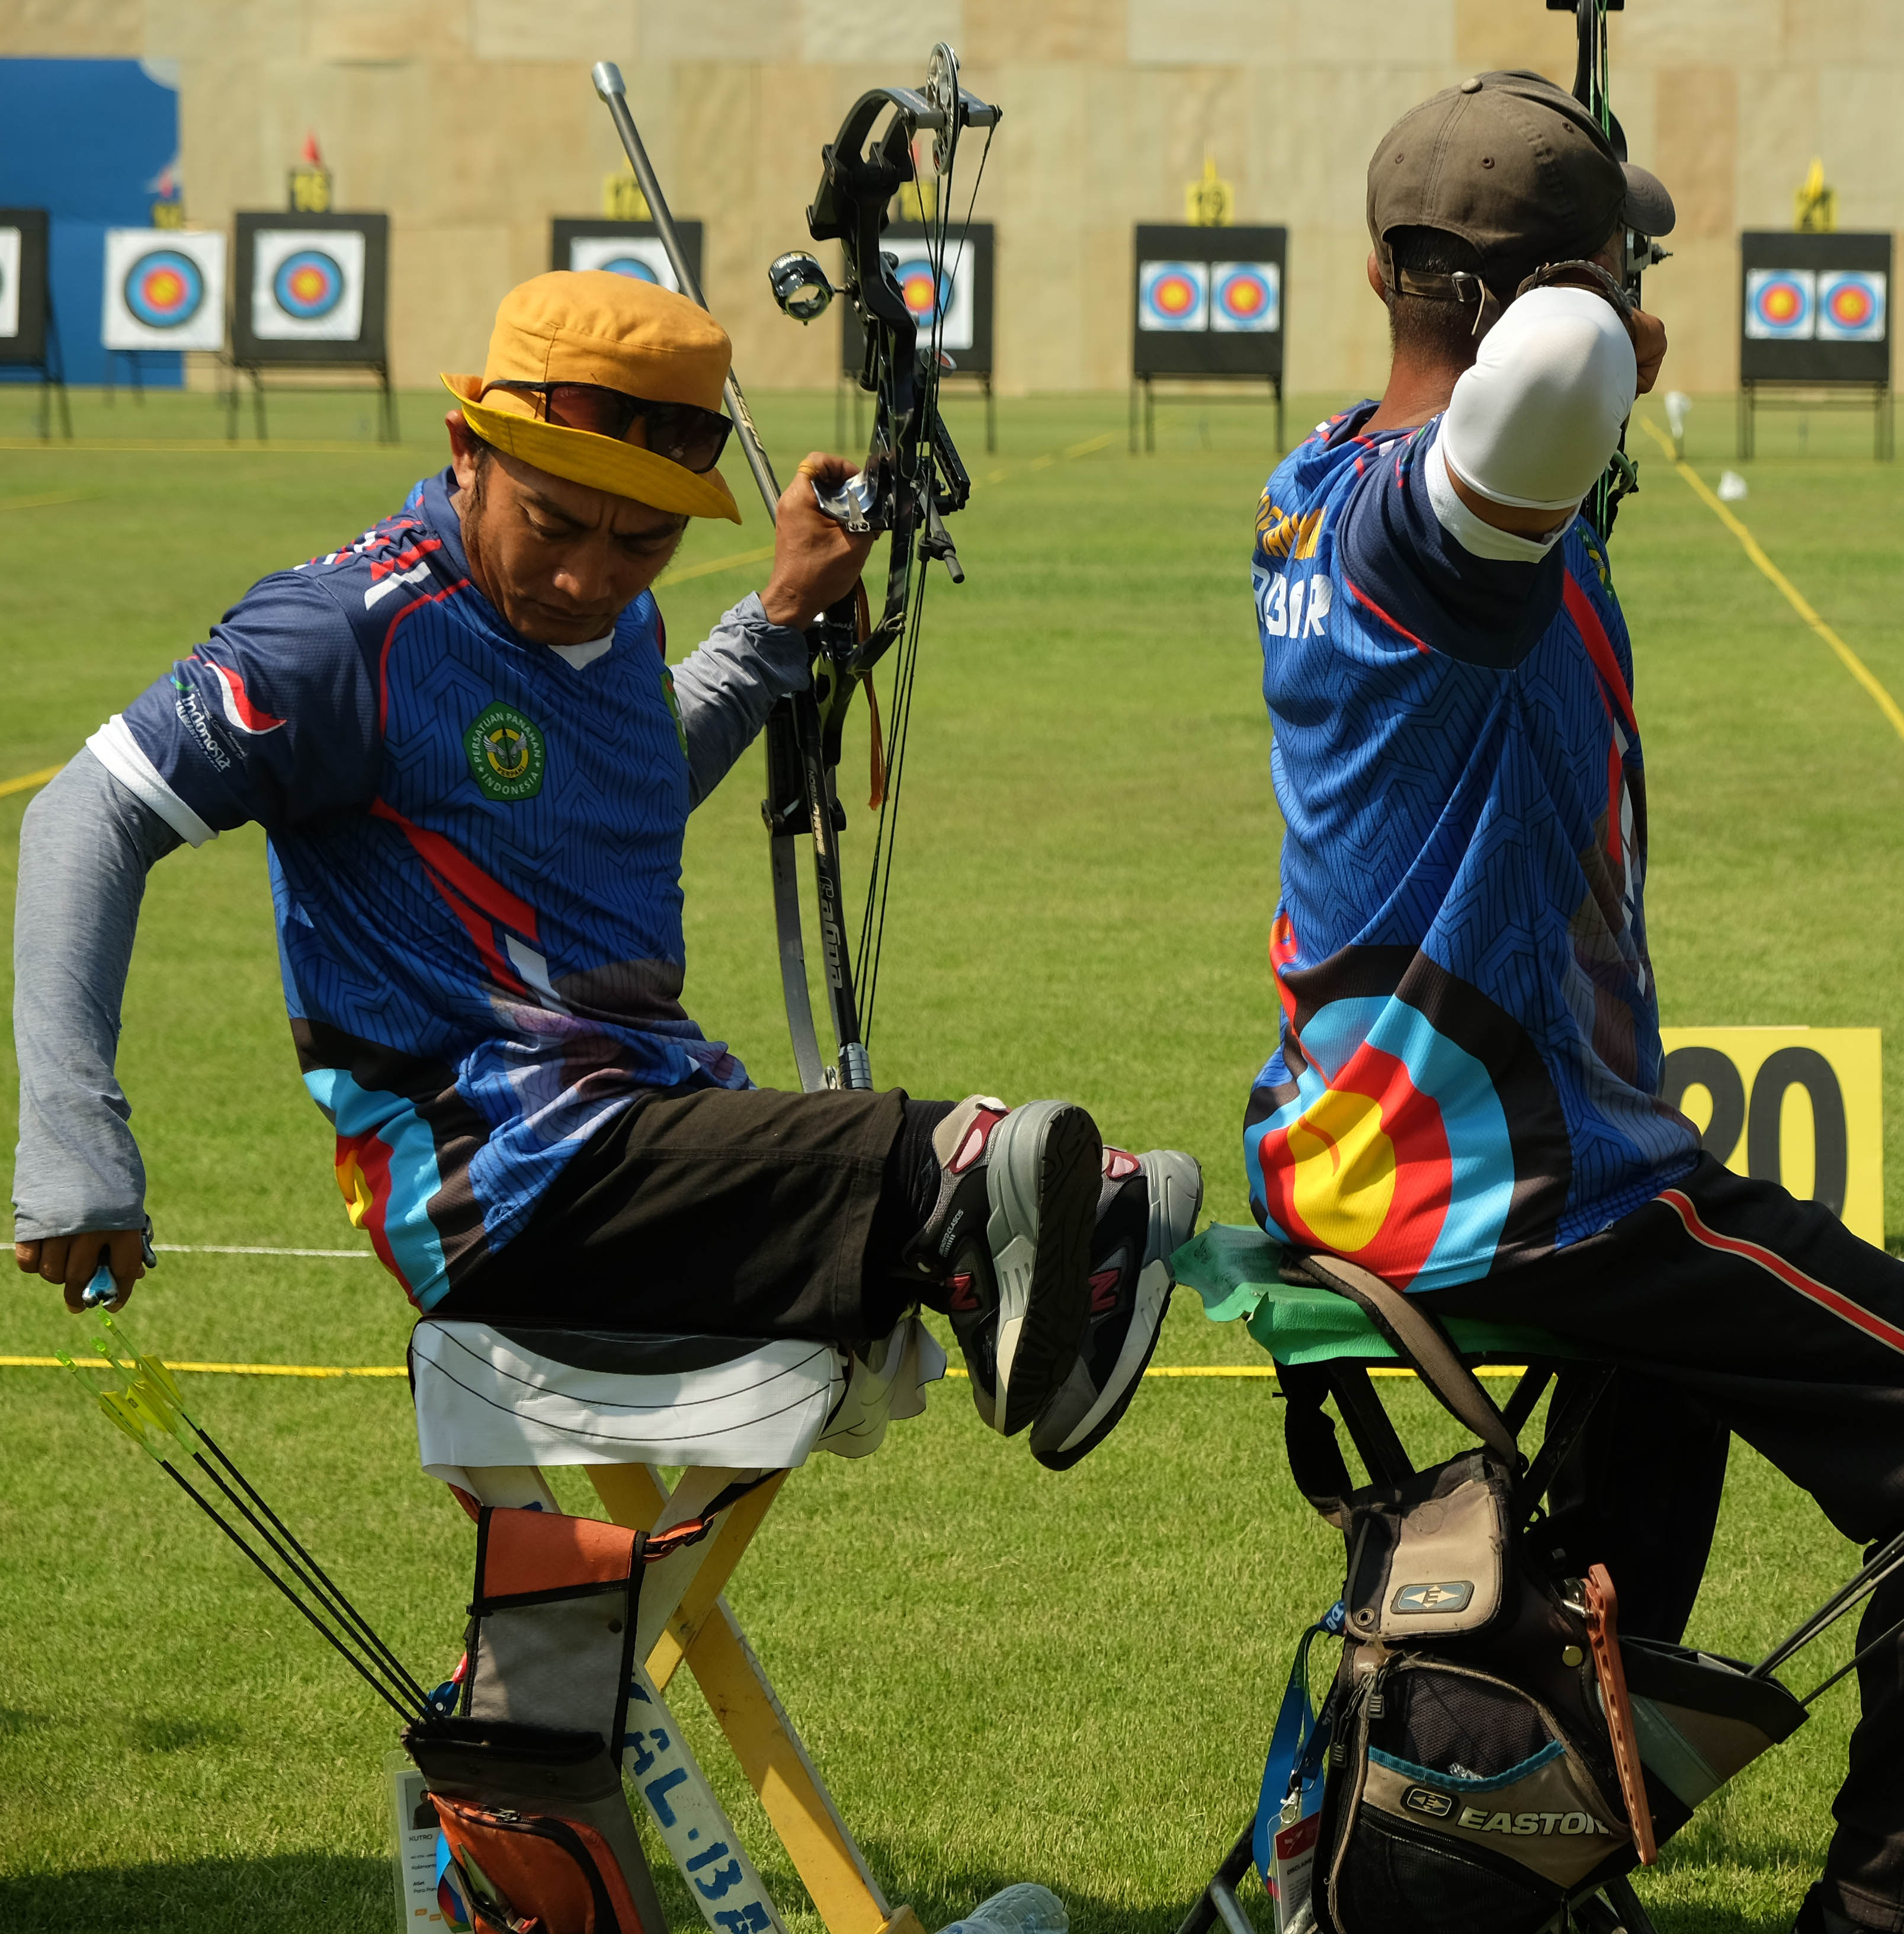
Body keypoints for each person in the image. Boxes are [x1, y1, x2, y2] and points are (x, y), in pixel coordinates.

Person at [1238, 72, 1904, 1934]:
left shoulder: (1316, 485)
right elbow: (1548, 375)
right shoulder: (1427, 531)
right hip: (1521, 1188)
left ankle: (1510, 1836)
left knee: (1671, 1399)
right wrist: (1595, 327)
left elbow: (1527, 383)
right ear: (1534, 300)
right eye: (1611, 275)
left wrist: (1576, 295)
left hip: (1361, 1147)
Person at [12, 270, 1193, 1467]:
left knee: (1011, 1178)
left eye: (645, 539)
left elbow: (617, 788)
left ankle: (1084, 1232)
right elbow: (84, 814)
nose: (589, 577)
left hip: (644, 1123)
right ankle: (1058, 1232)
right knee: (967, 1166)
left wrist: (775, 621)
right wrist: (75, 1134)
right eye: (555, 522)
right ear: (467, 451)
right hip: (495, 1183)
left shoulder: (619, 624)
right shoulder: (343, 637)